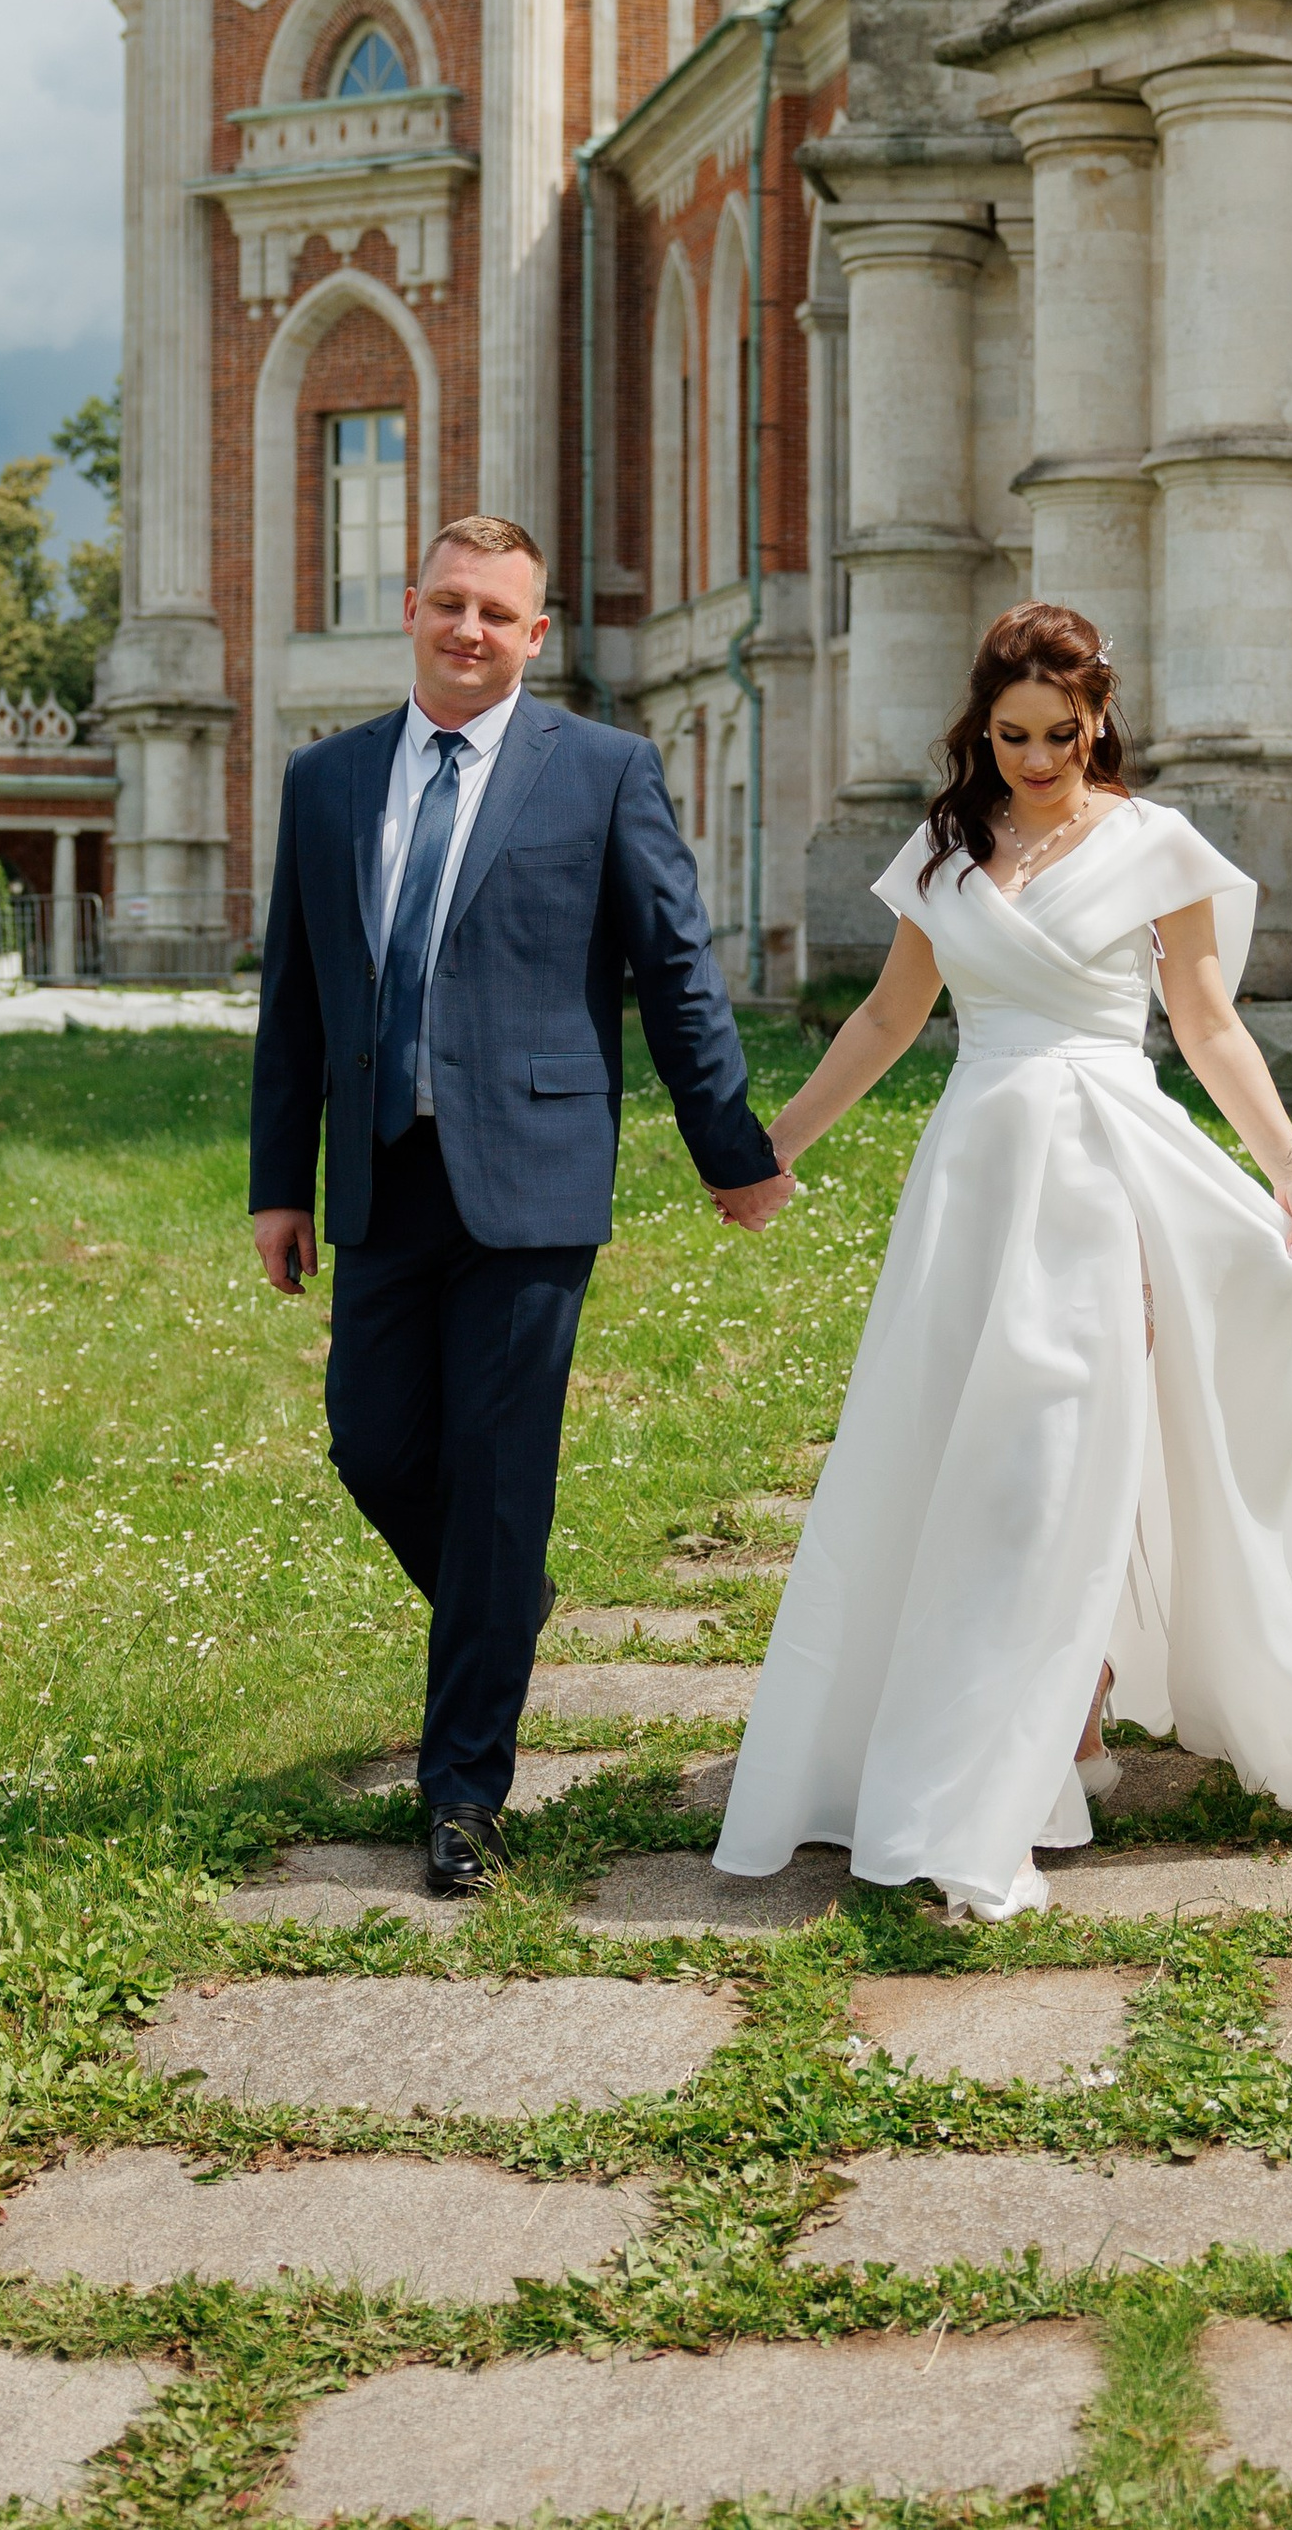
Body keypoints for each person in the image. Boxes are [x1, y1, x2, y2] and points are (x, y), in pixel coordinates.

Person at [714, 599, 1292, 1924]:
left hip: (1106, 1171)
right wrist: (776, 1146)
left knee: (1059, 1442)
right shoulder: (943, 851)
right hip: (978, 1179)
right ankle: (1063, 1712)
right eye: (1011, 737)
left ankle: (1054, 1716)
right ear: (980, 727)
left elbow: (1209, 1024)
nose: (1037, 760)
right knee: (975, 1450)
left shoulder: (1156, 846)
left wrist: (1285, 1162)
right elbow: (894, 1016)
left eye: (1060, 735)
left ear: (1099, 718)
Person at [251, 512, 793, 1897]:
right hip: (380, 1169)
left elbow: (674, 965)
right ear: (412, 610)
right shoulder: (325, 783)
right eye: (446, 604)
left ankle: (463, 1796)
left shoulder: (600, 771)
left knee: (499, 1476)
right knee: (372, 1446)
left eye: (497, 613)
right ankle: (505, 1608)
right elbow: (297, 997)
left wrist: (728, 1147)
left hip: (535, 1176)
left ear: (535, 634)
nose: (468, 630)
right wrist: (277, 1184)